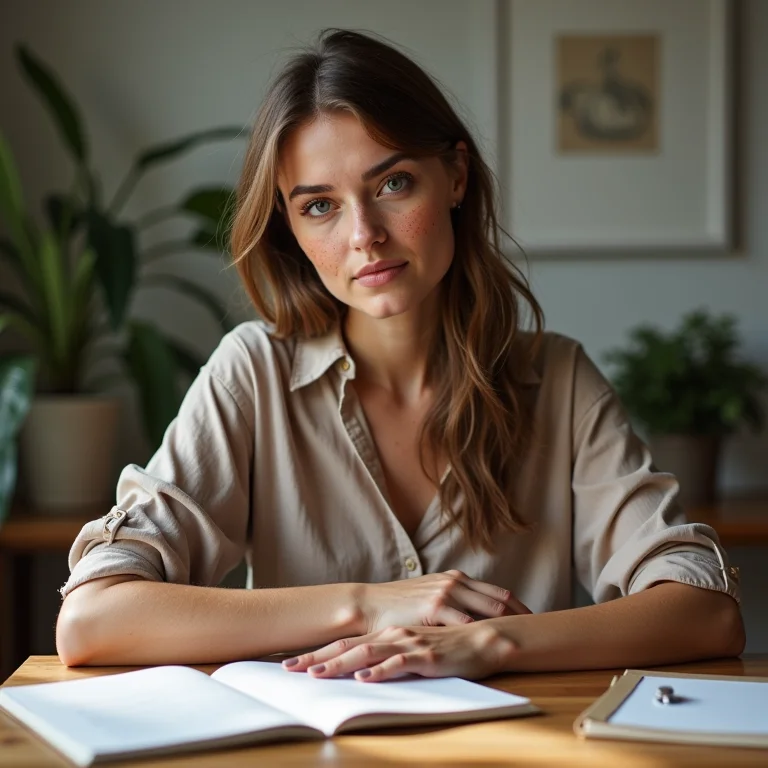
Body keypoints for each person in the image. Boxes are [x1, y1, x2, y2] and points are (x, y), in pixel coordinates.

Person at [56, 29, 744, 682]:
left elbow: (705, 613)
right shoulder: (254, 374)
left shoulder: (557, 381)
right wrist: (366, 604)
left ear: (455, 176)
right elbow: (93, 619)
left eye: (392, 185)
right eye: (320, 206)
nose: (365, 236)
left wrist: (490, 642)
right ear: (291, 230)